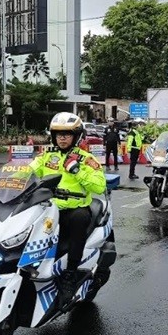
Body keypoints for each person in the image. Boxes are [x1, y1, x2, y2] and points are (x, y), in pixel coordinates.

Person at [29, 112, 106, 303]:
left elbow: (99, 186)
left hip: (73, 209)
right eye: (58, 134)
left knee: (79, 219)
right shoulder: (47, 157)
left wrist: (77, 170)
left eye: (67, 133)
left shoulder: (86, 159)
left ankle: (70, 274)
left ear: (76, 136)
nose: (62, 137)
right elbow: (28, 171)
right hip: (48, 208)